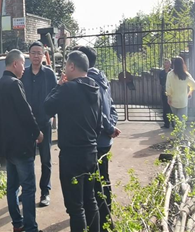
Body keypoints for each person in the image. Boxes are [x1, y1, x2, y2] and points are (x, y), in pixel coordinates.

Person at [44, 51, 102, 232]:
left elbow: (47, 107)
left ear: (71, 67)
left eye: (65, 66)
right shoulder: (95, 88)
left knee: (76, 208)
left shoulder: (68, 89)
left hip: (72, 155)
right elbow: (99, 124)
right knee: (90, 200)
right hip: (91, 152)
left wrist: (58, 86)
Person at [0, 49, 44, 232]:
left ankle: (17, 223)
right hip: (21, 147)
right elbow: (26, 113)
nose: (25, 68)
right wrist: (37, 133)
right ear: (15, 64)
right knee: (29, 188)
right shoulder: (15, 84)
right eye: (23, 63)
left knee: (12, 187)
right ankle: (31, 227)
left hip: (7, 146)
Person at [73, 46, 121, 231]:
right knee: (104, 177)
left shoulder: (88, 81)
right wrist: (112, 126)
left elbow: (97, 111)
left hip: (96, 140)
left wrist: (108, 128)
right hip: (105, 139)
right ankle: (107, 215)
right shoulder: (102, 77)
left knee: (96, 183)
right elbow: (111, 105)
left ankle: (103, 221)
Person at [21, 41, 58, 207]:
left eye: (39, 53)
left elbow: (56, 94)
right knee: (27, 158)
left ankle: (45, 192)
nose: (36, 56)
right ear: (29, 55)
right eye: (33, 52)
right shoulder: (23, 74)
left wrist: (51, 115)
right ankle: (27, 190)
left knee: (45, 159)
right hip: (27, 123)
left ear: (43, 55)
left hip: (44, 121)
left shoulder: (49, 74)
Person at [165, 56, 195, 126]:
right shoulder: (186, 75)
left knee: (175, 119)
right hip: (183, 101)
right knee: (182, 120)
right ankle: (180, 136)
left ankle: (177, 135)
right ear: (182, 64)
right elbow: (194, 85)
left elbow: (168, 87)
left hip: (173, 100)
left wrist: (169, 97)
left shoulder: (170, 74)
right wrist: (190, 92)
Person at [159, 59, 172, 129]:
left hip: (172, 92)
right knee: (165, 108)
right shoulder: (161, 73)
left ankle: (174, 124)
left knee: (172, 108)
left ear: (170, 64)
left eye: (167, 63)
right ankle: (166, 124)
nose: (165, 64)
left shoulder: (172, 72)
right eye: (165, 63)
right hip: (164, 92)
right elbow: (161, 83)